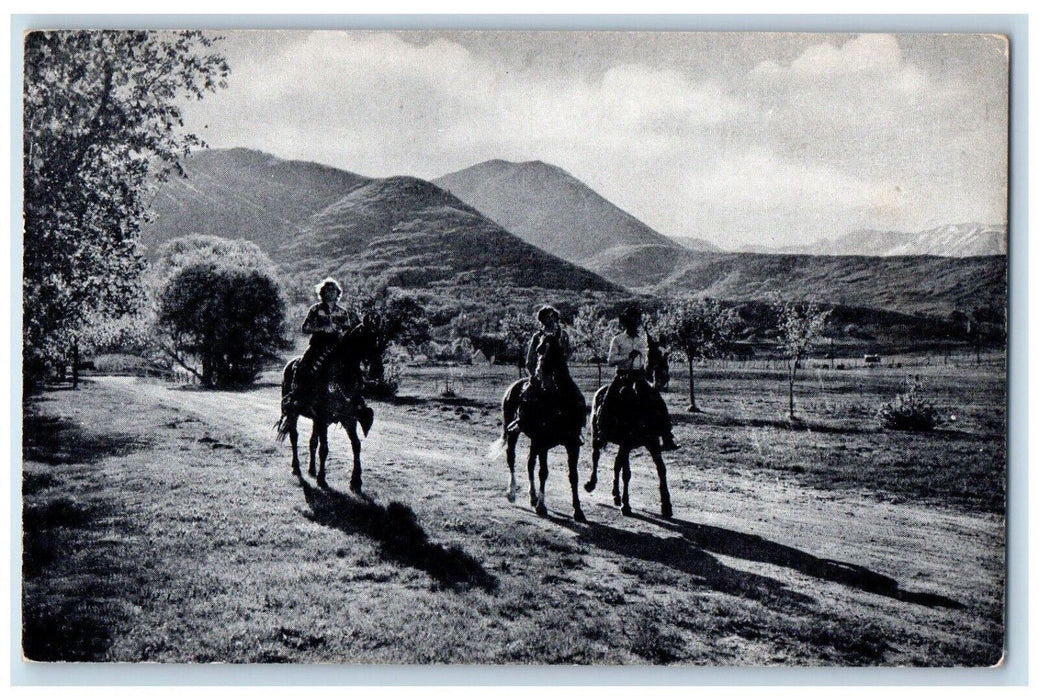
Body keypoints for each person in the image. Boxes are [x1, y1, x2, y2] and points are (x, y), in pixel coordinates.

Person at [284, 278, 374, 434]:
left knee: (354, 371)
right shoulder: (315, 309)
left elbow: (348, 330)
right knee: (304, 365)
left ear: (337, 293)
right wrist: (321, 329)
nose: (330, 293)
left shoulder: (342, 312)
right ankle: (296, 396)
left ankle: (358, 404)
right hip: (318, 346)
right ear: (322, 293)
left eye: (333, 290)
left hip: (337, 347)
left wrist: (340, 333)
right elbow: (305, 328)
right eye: (327, 290)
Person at [601, 306, 679, 451]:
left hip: (639, 376)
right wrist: (627, 357)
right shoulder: (617, 339)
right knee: (608, 398)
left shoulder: (643, 340)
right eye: (632, 320)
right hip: (622, 376)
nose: (635, 323)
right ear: (625, 323)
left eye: (637, 320)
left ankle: (666, 436)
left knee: (658, 401)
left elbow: (648, 358)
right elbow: (610, 360)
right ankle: (602, 431)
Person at [511, 305, 586, 438]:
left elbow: (568, 353)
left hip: (561, 374)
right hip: (541, 374)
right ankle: (521, 422)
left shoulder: (563, 335)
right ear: (542, 320)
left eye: (553, 316)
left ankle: (577, 429)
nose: (551, 319)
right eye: (548, 317)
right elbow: (530, 361)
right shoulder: (537, 337)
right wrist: (535, 375)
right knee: (527, 395)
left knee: (578, 397)